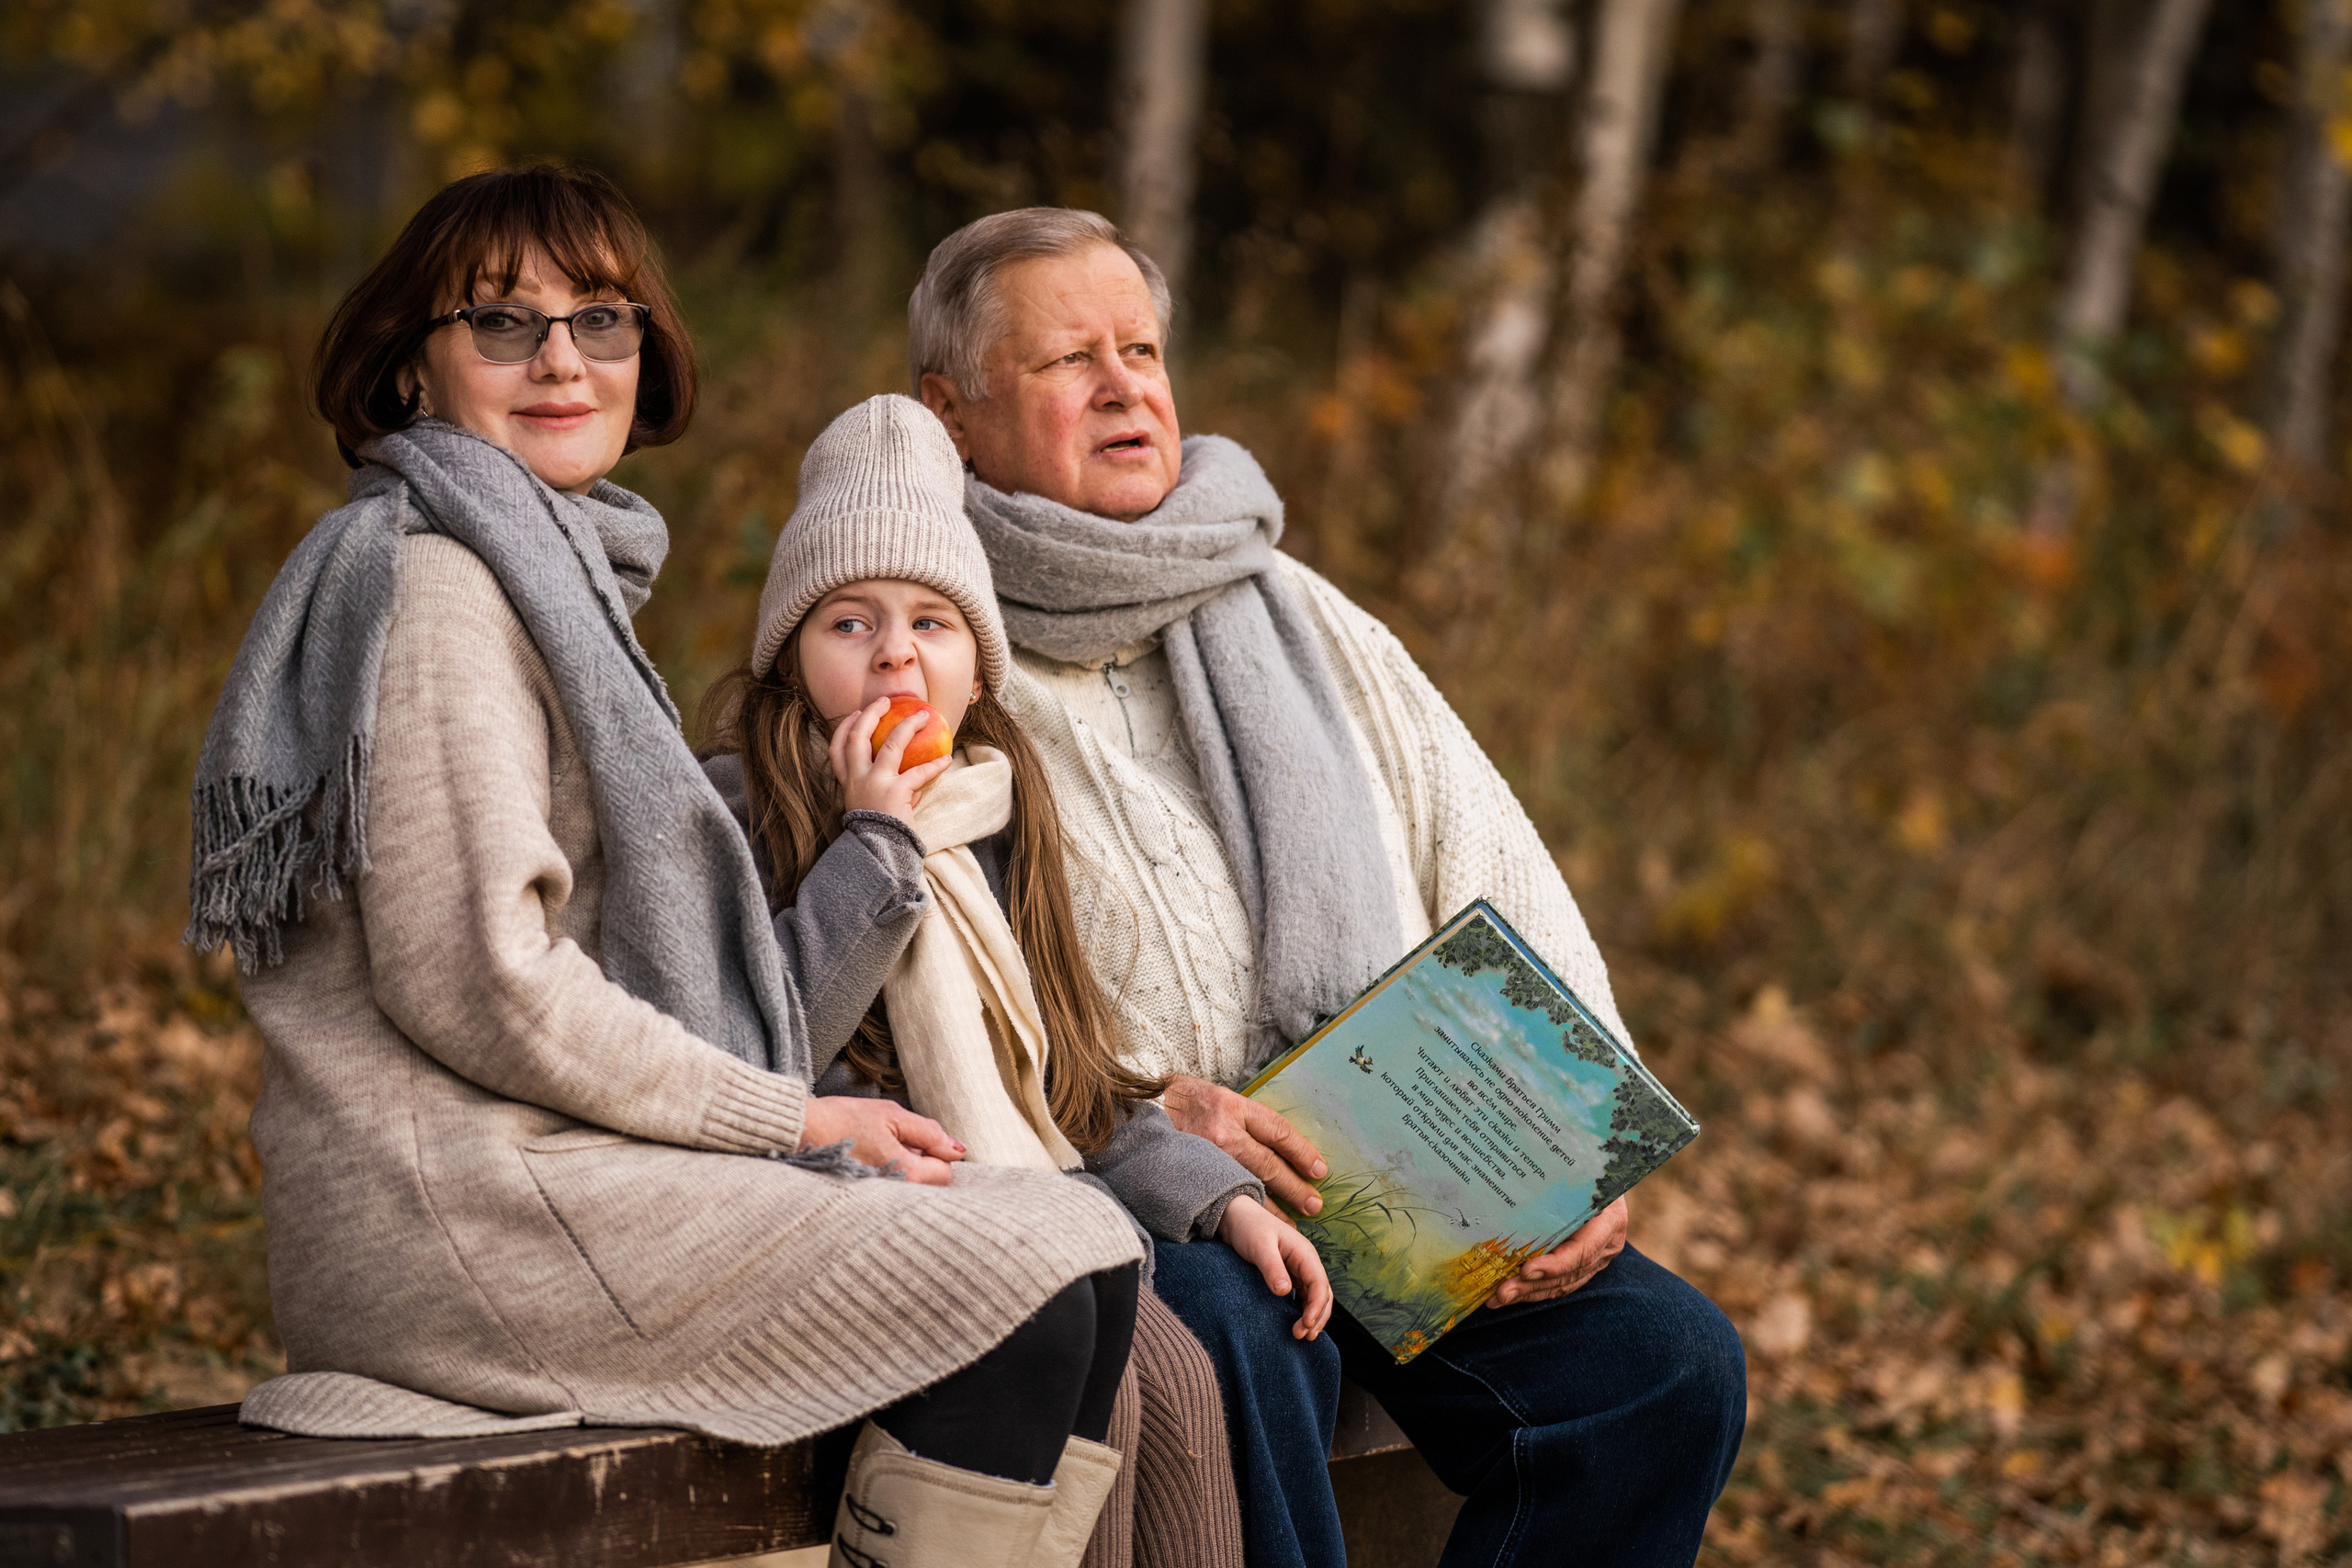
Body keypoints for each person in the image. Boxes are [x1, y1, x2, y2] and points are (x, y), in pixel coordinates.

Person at [186, 165, 1142, 1568]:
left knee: (1084, 1245)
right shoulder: (440, 587)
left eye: (603, 318)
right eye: (504, 324)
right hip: (458, 1214)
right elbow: (480, 981)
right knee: (1031, 1269)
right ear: (411, 368)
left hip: (553, 1175)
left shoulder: (544, 570)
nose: (563, 358)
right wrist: (790, 1120)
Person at [906, 207, 1750, 1568]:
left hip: (1388, 1156)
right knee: (1237, 1321)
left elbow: (1483, 841)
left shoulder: (1290, 608)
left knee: (1663, 1361)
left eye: (1143, 349)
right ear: (949, 414)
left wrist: (1587, 1134)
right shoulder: (919, 632)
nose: (1127, 387)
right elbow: (911, 983)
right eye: (1071, 361)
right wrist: (1140, 1113)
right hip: (1134, 1172)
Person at [699, 391, 1330, 1568]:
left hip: (1028, 1201)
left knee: (1188, 1381)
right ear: (789, 649)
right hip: (842, 1204)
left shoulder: (995, 807)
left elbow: (1068, 1087)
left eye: (932, 622)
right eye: (850, 621)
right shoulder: (740, 812)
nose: (895, 651)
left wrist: (1215, 1197)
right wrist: (870, 847)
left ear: (974, 667)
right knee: (1141, 1375)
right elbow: (759, 1051)